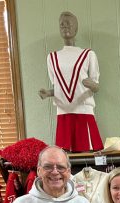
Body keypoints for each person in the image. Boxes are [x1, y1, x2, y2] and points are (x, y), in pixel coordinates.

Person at [39, 11, 103, 152]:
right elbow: (58, 86)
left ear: (76, 28)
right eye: (62, 24)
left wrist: (93, 85)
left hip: (84, 109)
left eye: (69, 23)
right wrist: (48, 92)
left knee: (88, 154)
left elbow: (96, 85)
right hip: (63, 111)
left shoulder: (88, 54)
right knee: (64, 158)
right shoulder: (52, 57)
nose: (65, 27)